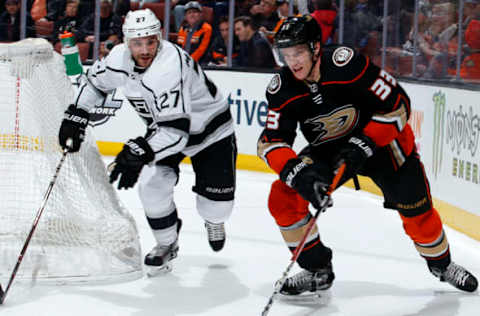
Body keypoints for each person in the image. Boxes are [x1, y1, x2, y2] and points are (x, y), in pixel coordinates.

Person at [257, 15, 478, 296]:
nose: (293, 62)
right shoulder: (282, 88)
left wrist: (364, 144)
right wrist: (296, 172)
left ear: (315, 48)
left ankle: (442, 264)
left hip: (383, 143)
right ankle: (317, 270)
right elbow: (270, 142)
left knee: (417, 211)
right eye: (286, 54)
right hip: (330, 150)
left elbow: (398, 106)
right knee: (283, 197)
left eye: (298, 52)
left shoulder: (346, 65)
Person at [58, 9, 237, 275]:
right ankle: (167, 243)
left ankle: (214, 220)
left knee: (215, 207)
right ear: (126, 41)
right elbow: (95, 85)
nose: (144, 50)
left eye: (151, 41)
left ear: (160, 38)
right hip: (164, 129)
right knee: (152, 185)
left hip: (211, 133)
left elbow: (178, 133)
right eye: (137, 42)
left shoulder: (169, 66)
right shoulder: (118, 57)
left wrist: (140, 151)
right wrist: (77, 113)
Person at [176, 1, 212, 66]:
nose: (192, 15)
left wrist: (189, 61)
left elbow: (201, 50)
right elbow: (179, 47)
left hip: (201, 63)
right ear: (185, 16)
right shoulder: (183, 29)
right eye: (189, 13)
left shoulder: (206, 28)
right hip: (184, 63)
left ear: (200, 14)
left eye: (195, 12)